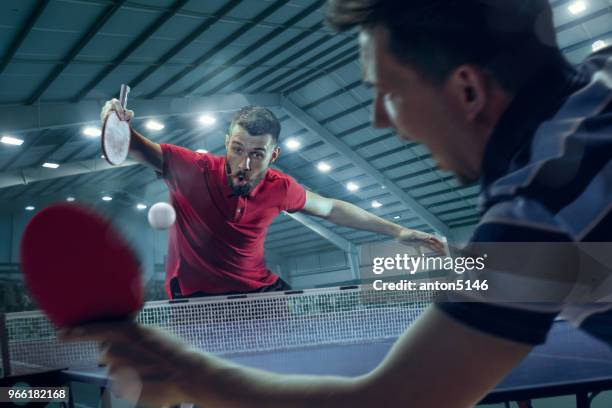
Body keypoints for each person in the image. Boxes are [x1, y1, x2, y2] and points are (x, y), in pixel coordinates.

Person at [63, 0, 612, 406]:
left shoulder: (532, 220)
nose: (377, 118)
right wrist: (118, 130)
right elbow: (133, 148)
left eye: (390, 93)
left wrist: (181, 370)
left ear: (467, 90)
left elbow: (392, 402)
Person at [100, 103, 443, 299]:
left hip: (260, 293)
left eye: (257, 154)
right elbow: (131, 143)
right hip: (197, 298)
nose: (244, 164)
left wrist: (398, 232)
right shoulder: (193, 169)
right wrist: (113, 118)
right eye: (237, 149)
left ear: (274, 155)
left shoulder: (280, 188)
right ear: (227, 142)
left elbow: (332, 207)